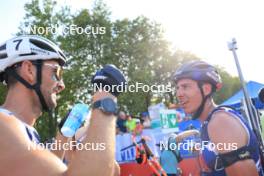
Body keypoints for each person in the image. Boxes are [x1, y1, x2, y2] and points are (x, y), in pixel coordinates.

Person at [0, 35, 125, 176]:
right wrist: (105, 100)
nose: (62, 85)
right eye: (57, 72)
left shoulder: (22, 131)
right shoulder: (3, 127)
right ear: (29, 69)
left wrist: (63, 136)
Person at [172, 60, 263, 176]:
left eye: (185, 86)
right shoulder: (211, 121)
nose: (179, 93)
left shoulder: (220, 122)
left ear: (206, 89)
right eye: (178, 88)